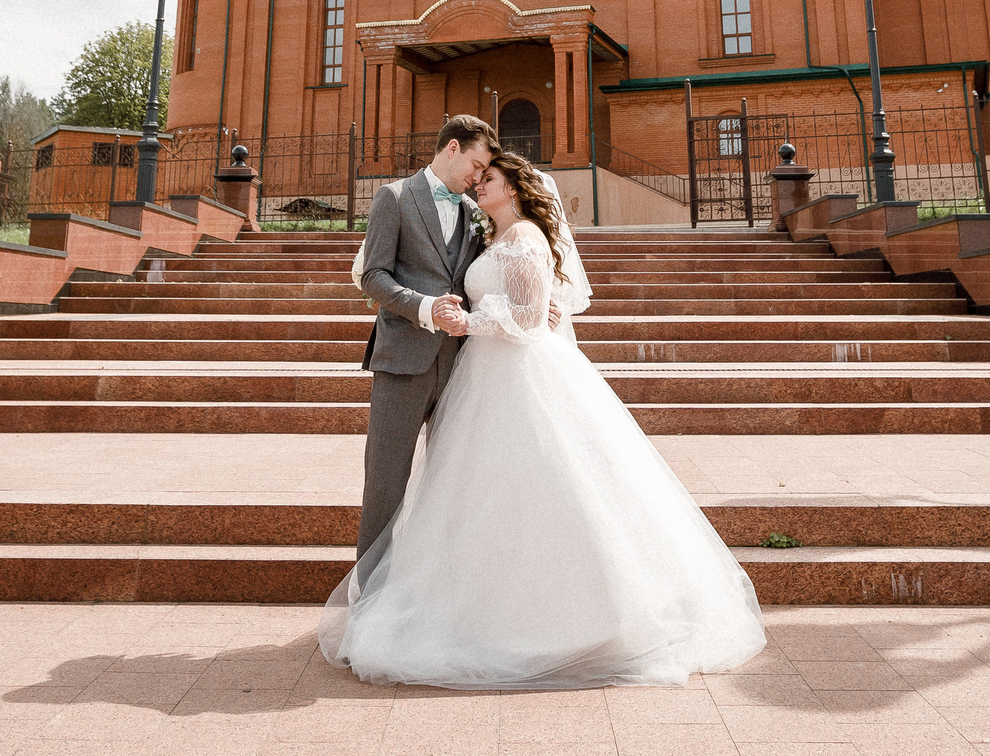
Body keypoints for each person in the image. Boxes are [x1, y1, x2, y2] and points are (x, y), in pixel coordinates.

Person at [322, 144, 765, 690]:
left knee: (535, 485)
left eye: (489, 178)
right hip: (474, 374)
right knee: (471, 491)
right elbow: (394, 274)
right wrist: (492, 312)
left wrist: (476, 322)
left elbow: (529, 319)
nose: (478, 183)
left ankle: (551, 620)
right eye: (478, 175)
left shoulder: (525, 236)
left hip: (510, 372)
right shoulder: (483, 230)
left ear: (512, 187)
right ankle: (445, 602)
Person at [349, 113, 496, 560]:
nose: (478, 177)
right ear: (452, 148)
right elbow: (373, 275)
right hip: (402, 360)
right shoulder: (393, 198)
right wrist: (423, 306)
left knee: (450, 481)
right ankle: (369, 594)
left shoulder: (475, 213)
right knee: (386, 480)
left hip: (460, 365)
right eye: (475, 164)